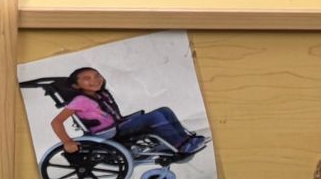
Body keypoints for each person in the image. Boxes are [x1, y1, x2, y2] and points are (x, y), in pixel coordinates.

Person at [46, 67, 209, 161]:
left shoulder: (100, 94)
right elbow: (56, 122)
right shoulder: (80, 100)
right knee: (155, 117)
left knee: (164, 110)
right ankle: (180, 146)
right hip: (107, 133)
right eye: (87, 78)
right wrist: (67, 141)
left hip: (118, 125)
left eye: (97, 75)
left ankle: (185, 140)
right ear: (76, 85)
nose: (95, 80)